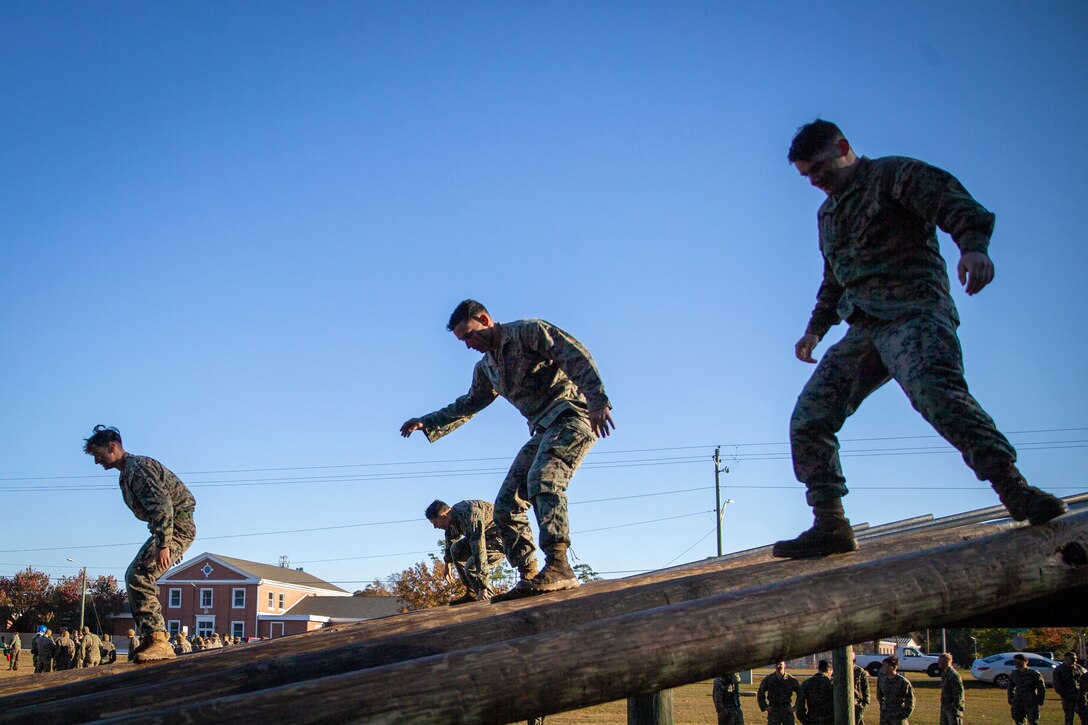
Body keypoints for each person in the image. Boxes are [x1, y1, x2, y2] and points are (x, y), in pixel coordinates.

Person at [773, 119, 1067, 558]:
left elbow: (951, 201)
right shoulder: (828, 215)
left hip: (914, 312)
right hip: (865, 326)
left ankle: (1016, 491)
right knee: (810, 417)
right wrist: (815, 329)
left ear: (844, 147)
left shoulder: (893, 176)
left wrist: (972, 246)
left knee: (937, 394)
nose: (816, 181)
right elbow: (834, 279)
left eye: (820, 169)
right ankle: (830, 524)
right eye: (807, 176)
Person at [401, 300, 614, 599]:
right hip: (542, 430)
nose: (468, 345)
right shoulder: (487, 368)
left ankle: (559, 564)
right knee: (505, 506)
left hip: (571, 416)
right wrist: (427, 421)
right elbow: (468, 404)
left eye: (469, 335)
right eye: (462, 341)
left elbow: (573, 353)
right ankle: (530, 575)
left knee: (544, 479)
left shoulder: (527, 332)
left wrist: (597, 399)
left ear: (485, 319)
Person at [83, 425, 196, 662]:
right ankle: (151, 637)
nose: (97, 462)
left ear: (112, 447)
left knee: (139, 575)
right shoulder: (129, 472)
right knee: (137, 574)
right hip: (170, 528)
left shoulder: (137, 469)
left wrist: (165, 544)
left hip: (175, 527)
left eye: (98, 454)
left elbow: (162, 506)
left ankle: (158, 640)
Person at [426, 499, 512, 604]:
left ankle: (487, 598)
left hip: (502, 538)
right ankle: (471, 593)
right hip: (486, 537)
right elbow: (450, 543)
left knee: (472, 567)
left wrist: (483, 587)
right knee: (456, 550)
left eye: (435, 523)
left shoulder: (470, 515)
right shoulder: (451, 519)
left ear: (443, 516)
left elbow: (479, 550)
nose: (435, 527)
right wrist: (447, 565)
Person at [757, 661, 801, 725]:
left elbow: (800, 693)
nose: (778, 666)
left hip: (787, 710)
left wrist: (795, 707)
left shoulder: (791, 679)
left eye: (780, 664)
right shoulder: (769, 679)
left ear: (784, 665)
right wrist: (765, 706)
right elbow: (760, 693)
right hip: (773, 710)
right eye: (777, 664)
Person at [1009, 653, 1047, 725]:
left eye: (1019, 662)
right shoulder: (1014, 674)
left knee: (1033, 721)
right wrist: (1011, 699)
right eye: (1015, 662)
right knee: (1018, 721)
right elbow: (1010, 687)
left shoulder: (1034, 673)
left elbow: (1041, 688)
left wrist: (1040, 700)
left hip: (1031, 700)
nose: (1016, 664)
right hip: (1018, 701)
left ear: (1025, 662)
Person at [877, 656, 914, 725]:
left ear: (892, 667)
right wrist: (882, 707)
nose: (883, 668)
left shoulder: (903, 682)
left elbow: (910, 701)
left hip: (897, 718)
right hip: (885, 717)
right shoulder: (882, 679)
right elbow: (879, 694)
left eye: (885, 665)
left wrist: (903, 715)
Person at [797, 660, 834, 725]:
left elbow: (799, 706)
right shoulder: (833, 684)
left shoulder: (807, 683)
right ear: (829, 670)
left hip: (813, 720)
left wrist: (805, 721)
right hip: (831, 721)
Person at [1055, 651, 1085, 725]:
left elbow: (1083, 681)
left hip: (1079, 696)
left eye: (1075, 659)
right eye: (1071, 659)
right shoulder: (1059, 670)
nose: (1073, 661)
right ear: (1065, 659)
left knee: (1084, 716)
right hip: (1067, 697)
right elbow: (1057, 685)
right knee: (1069, 717)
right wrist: (1063, 696)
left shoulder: (1079, 668)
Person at [938, 653, 964, 725]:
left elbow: (958, 694)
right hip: (945, 707)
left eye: (940, 661)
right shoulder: (944, 674)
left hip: (952, 709)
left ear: (946, 662)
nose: (938, 663)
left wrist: (954, 707)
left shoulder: (953, 675)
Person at [853, 657, 870, 725]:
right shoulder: (838, 670)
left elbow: (866, 690)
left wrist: (864, 705)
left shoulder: (859, 671)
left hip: (856, 704)